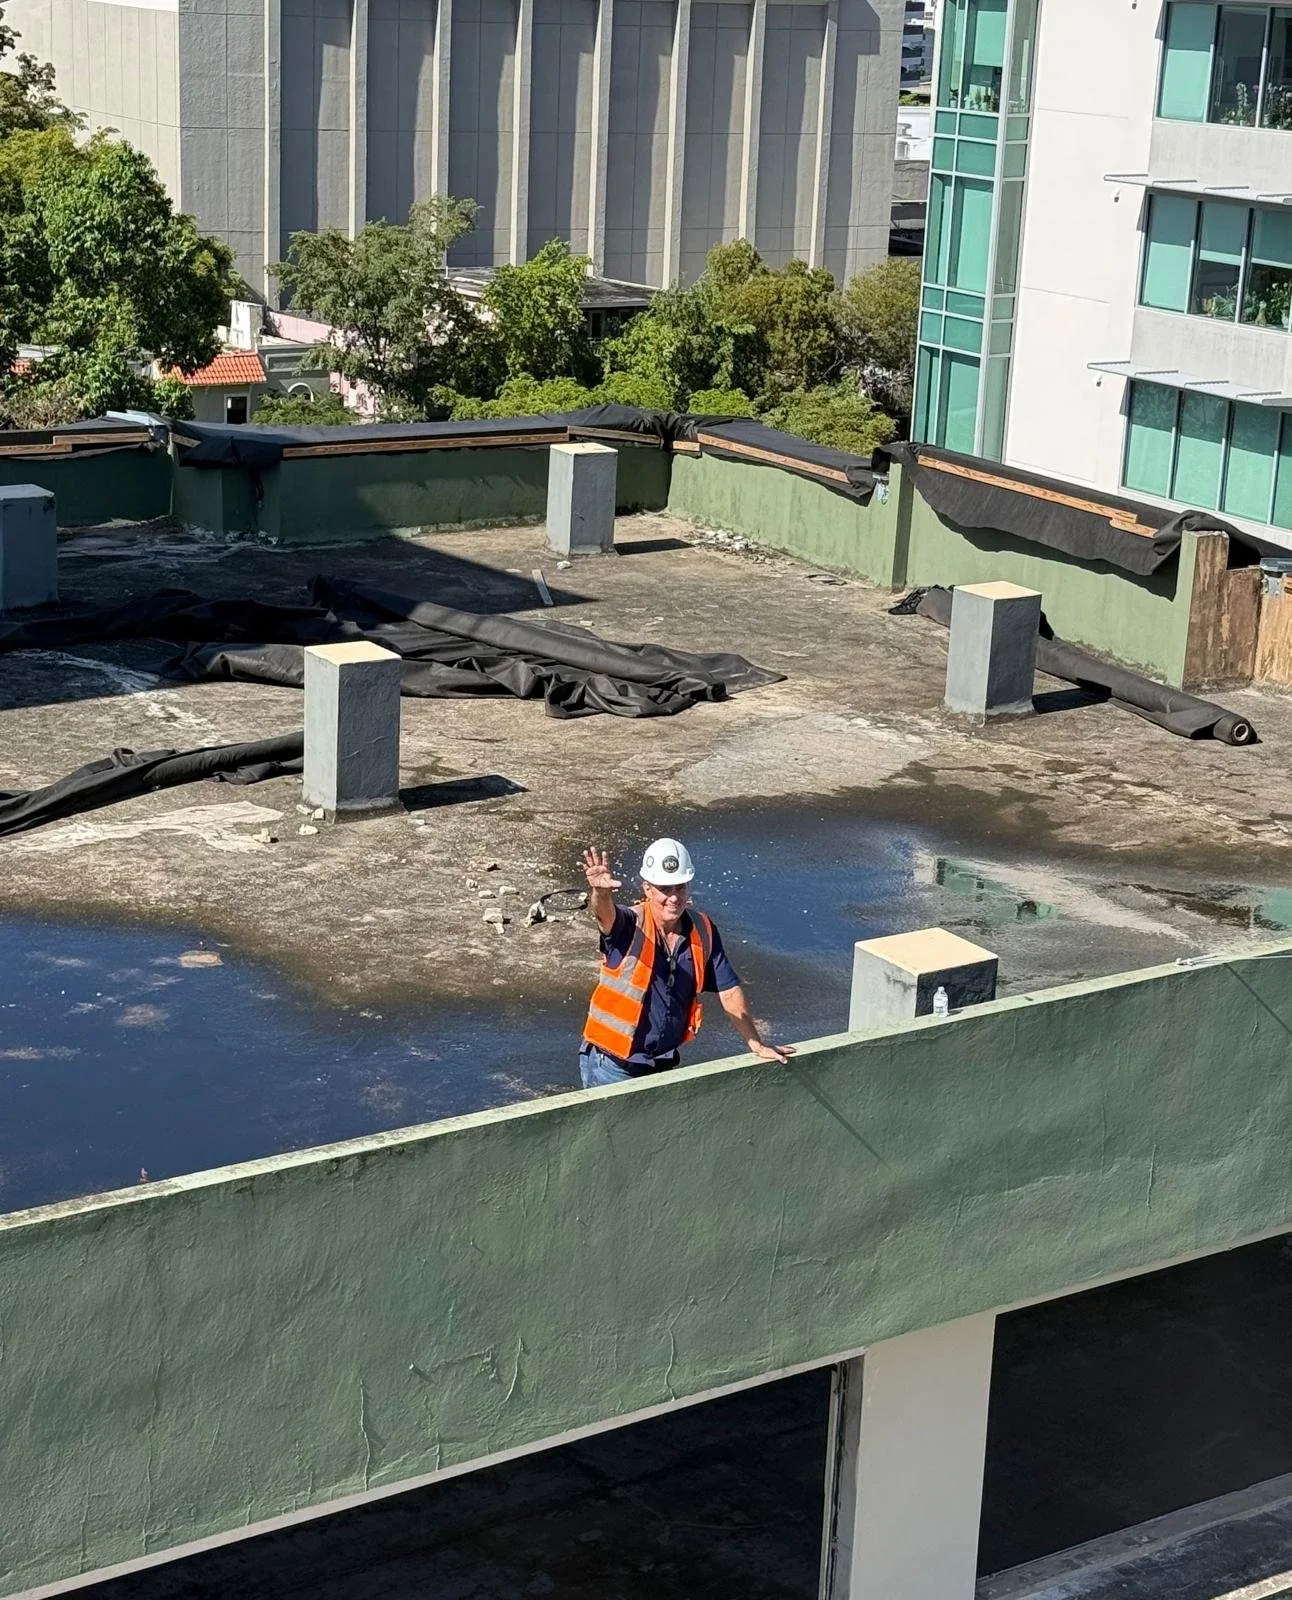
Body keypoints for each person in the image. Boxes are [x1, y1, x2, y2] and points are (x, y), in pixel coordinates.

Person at [579, 837, 795, 1088]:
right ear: (647, 889)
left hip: (663, 1063)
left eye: (679, 887)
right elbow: (604, 914)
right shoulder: (629, 925)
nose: (673, 898)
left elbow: (729, 991)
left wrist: (756, 1043)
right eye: (664, 888)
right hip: (613, 1065)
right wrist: (600, 893)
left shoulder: (702, 930)